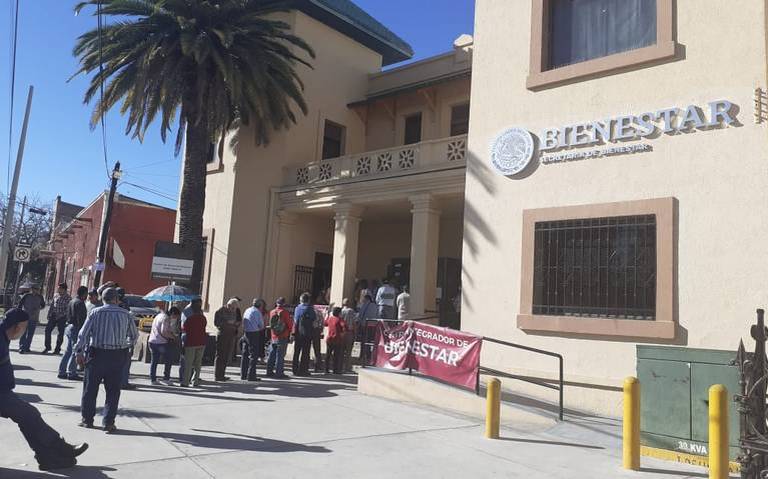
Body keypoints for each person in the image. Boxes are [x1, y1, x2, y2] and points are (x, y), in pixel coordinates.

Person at [1, 308, 89, 470]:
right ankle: (59, 449)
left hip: (4, 392)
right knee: (28, 414)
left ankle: (48, 456)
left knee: (28, 416)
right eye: (25, 327)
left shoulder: (3, 336)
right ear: (18, 326)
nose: (24, 331)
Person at [74, 287, 138, 433]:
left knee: (90, 389)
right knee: (113, 391)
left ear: (102, 299)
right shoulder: (126, 314)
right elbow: (134, 336)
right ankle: (108, 423)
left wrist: (78, 352)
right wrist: (125, 345)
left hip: (96, 354)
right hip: (117, 356)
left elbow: (83, 334)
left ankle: (87, 420)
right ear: (116, 299)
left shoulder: (95, 312)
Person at [58, 286, 88, 381]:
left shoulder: (72, 301)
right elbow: (81, 319)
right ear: (84, 294)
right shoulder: (80, 303)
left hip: (69, 326)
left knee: (68, 351)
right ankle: (71, 372)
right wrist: (83, 331)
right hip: (76, 328)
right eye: (86, 294)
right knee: (76, 351)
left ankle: (62, 371)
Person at [149, 307, 180, 385]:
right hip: (161, 343)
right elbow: (164, 332)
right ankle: (166, 378)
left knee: (154, 361)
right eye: (175, 316)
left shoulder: (158, 315)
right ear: (172, 314)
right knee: (168, 360)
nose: (175, 318)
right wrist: (173, 337)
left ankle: (153, 379)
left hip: (152, 340)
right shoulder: (166, 318)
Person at [181, 298, 207, 387]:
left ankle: (185, 382)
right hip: (201, 342)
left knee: (189, 363)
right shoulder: (203, 318)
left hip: (191, 342)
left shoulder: (189, 319)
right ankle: (195, 381)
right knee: (198, 363)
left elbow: (184, 329)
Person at [114, 288, 136, 390]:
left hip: (113, 339)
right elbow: (131, 329)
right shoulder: (124, 307)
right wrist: (131, 342)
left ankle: (116, 381)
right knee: (125, 362)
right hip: (123, 339)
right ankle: (123, 382)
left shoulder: (112, 306)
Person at [213, 298, 240, 382]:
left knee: (226, 356)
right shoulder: (220, 311)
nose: (234, 310)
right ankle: (218, 375)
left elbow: (237, 321)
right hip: (222, 335)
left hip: (231, 335)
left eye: (235, 309)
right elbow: (217, 323)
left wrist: (236, 324)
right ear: (228, 305)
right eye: (233, 308)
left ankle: (222, 374)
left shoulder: (234, 311)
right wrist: (227, 322)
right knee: (220, 355)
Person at [266, 297, 293, 379]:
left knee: (272, 355)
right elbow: (289, 324)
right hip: (282, 336)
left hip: (273, 336)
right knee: (280, 355)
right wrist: (291, 332)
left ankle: (269, 371)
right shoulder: (285, 312)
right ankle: (279, 373)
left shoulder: (272, 312)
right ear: (284, 303)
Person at [292, 293, 316, 376]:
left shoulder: (297, 308)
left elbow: (295, 320)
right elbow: (314, 318)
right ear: (308, 300)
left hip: (298, 333)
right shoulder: (310, 308)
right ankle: (303, 370)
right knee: (305, 352)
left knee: (296, 352)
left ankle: (295, 369)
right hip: (307, 333)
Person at [240, 298, 264, 381]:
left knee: (245, 354)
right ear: (260, 305)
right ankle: (251, 375)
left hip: (246, 332)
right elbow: (261, 325)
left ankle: (243, 374)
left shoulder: (247, 310)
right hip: (254, 333)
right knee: (253, 355)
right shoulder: (257, 312)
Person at [17, 284, 45, 354]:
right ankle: (21, 347)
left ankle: (27, 347)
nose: (36, 290)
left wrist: (38, 309)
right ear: (31, 289)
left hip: (34, 318)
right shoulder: (26, 296)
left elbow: (43, 305)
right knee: (23, 333)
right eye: (35, 289)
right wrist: (20, 313)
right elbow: (20, 305)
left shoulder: (40, 297)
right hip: (25, 317)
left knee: (30, 334)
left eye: (38, 289)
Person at [44, 283, 70, 355]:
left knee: (60, 334)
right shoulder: (56, 295)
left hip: (62, 317)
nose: (58, 290)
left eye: (60, 288)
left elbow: (68, 310)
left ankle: (57, 349)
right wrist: (49, 314)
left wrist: (61, 315)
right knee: (47, 330)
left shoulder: (68, 298)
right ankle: (47, 347)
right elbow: (52, 305)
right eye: (58, 288)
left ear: (64, 289)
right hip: (53, 316)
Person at [324, 307, 347, 375]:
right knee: (336, 355)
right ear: (339, 313)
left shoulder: (330, 318)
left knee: (328, 354)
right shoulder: (339, 319)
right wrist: (343, 333)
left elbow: (325, 323)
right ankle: (335, 369)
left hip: (329, 338)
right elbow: (344, 326)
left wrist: (327, 315)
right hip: (337, 339)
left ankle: (326, 369)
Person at [340, 298, 357, 373]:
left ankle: (340, 366)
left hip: (342, 333)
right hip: (349, 332)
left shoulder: (341, 311)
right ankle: (347, 367)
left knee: (341, 351)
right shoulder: (351, 311)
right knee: (348, 351)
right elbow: (354, 322)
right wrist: (355, 332)